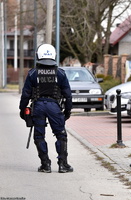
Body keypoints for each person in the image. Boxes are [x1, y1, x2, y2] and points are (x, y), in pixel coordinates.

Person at [19, 44, 73, 173]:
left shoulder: (32, 73)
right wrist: (68, 111)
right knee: (61, 135)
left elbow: (25, 94)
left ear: (38, 55)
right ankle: (62, 165)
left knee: (39, 135)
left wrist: (22, 110)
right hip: (54, 106)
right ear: (54, 56)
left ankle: (45, 165)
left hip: (38, 106)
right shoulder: (60, 73)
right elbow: (68, 95)